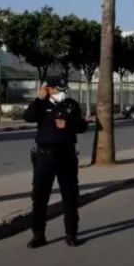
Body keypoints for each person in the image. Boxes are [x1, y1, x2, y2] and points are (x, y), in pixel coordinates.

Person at [22, 77, 88, 248]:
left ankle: (71, 234)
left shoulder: (71, 105)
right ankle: (38, 235)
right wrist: (38, 99)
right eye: (59, 89)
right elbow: (28, 117)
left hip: (66, 155)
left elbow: (82, 126)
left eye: (65, 88)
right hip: (45, 156)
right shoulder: (41, 105)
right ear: (49, 89)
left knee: (70, 196)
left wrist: (68, 125)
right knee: (39, 197)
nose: (63, 92)